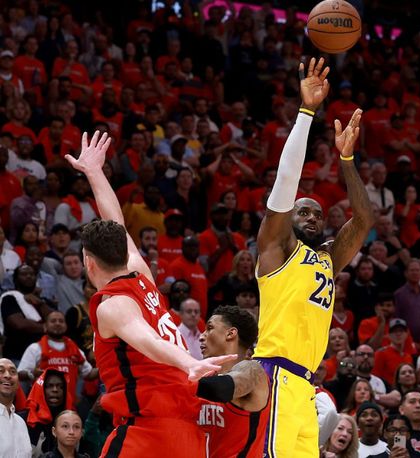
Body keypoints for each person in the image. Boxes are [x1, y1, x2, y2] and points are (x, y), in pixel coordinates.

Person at [64, 130, 234, 456]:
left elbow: (149, 341)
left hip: (147, 431)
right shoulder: (141, 273)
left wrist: (189, 362)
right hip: (186, 431)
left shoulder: (113, 305)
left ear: (88, 262)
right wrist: (94, 172)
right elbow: (115, 221)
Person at [252, 58, 374, 456]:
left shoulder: (326, 259)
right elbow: (286, 180)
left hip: (306, 385)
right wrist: (306, 112)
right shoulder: (276, 247)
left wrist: (347, 160)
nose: (312, 218)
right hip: (274, 374)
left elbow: (364, 220)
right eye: (303, 212)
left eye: (318, 215)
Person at [196, 305, 271, 458]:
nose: (201, 336)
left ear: (230, 333)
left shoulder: (253, 371)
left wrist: (177, 378)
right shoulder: (206, 378)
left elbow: (221, 389)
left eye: (209, 328)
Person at [17, 310, 97, 401]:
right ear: (45, 326)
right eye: (53, 321)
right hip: (41, 404)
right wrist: (31, 374)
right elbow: (19, 374)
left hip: (69, 406)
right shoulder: (35, 348)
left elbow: (88, 374)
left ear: (66, 326)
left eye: (61, 321)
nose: (57, 323)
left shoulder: (76, 350)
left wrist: (106, 366)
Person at [0, 358, 31, 458]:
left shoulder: (21, 423)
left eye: (13, 372)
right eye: (1, 371)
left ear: (18, 384)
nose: (7, 375)